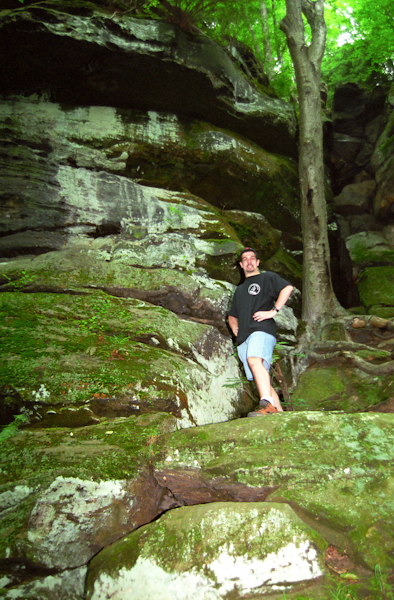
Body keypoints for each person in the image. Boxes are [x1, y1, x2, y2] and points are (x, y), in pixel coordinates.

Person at [228, 247, 294, 416]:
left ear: (257, 262)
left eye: (252, 258)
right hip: (244, 337)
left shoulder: (267, 278)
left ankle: (266, 405)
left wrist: (273, 311)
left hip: (261, 329)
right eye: (245, 259)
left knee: (254, 360)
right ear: (241, 265)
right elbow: (232, 315)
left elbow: (287, 288)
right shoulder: (240, 290)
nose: (249, 261)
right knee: (260, 376)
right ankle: (279, 414)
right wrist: (234, 326)